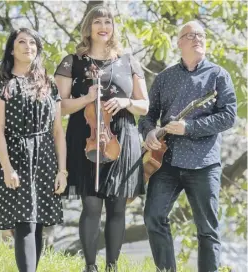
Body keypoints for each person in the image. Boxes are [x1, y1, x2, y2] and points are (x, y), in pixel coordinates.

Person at [54, 5, 149, 272]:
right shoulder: (71, 61)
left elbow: (145, 105)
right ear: (89, 27)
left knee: (117, 205)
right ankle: (90, 266)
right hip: (87, 136)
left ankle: (112, 266)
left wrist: (125, 100)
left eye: (108, 21)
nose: (103, 26)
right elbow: (60, 106)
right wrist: (86, 98)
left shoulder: (129, 61)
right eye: (97, 21)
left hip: (122, 137)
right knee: (92, 204)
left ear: (113, 27)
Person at [139, 21, 237, 272]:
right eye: (191, 35)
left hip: (203, 163)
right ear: (179, 42)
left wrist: (189, 128)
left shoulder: (218, 75)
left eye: (201, 35)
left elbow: (228, 116)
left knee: (207, 229)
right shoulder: (164, 78)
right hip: (167, 161)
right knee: (153, 217)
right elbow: (148, 115)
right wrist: (149, 131)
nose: (198, 39)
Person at [0, 28, 67, 272]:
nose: (28, 46)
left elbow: (58, 131)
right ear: (12, 49)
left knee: (38, 224)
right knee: (25, 223)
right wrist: (7, 167)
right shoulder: (2, 84)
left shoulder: (48, 84)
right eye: (22, 42)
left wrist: (62, 171)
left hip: (45, 158)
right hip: (17, 158)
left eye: (32, 42)